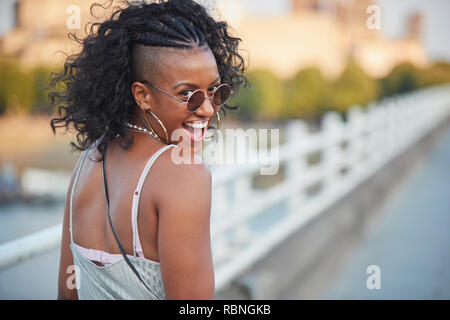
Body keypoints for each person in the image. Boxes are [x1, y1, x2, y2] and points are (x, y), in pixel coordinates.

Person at [50, 0, 247, 299]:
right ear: (142, 95)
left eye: (216, 90)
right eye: (188, 94)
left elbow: (67, 294)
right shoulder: (184, 175)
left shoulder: (88, 160)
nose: (207, 109)